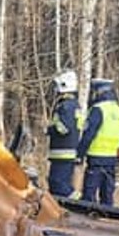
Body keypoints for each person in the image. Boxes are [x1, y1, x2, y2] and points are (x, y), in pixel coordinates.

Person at [76, 77, 119, 207]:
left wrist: (79, 154)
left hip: (96, 158)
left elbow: (89, 134)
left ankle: (86, 223)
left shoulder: (98, 109)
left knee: (89, 195)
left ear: (98, 92)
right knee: (107, 196)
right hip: (112, 159)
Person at [45, 68, 83, 198]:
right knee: (57, 185)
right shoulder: (73, 104)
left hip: (63, 153)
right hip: (65, 153)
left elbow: (64, 128)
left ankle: (78, 203)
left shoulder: (66, 106)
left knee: (58, 185)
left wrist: (49, 128)